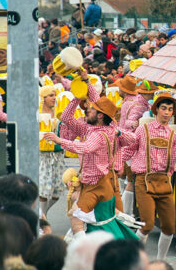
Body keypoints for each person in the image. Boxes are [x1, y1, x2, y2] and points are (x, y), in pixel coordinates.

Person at [44, 72, 137, 240]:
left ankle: (91, 249)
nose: (88, 108)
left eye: (91, 108)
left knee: (93, 219)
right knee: (98, 220)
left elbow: (87, 147)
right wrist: (78, 96)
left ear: (100, 115)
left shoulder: (104, 131)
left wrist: (59, 140)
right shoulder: (89, 127)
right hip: (94, 181)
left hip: (105, 181)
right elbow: (66, 117)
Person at [122, 93, 176, 260]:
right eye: (163, 108)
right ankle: (134, 259)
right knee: (147, 224)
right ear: (156, 110)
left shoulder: (175, 135)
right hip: (143, 180)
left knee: (169, 227)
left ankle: (160, 262)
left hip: (164, 182)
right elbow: (128, 150)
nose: (167, 112)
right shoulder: (143, 129)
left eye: (170, 109)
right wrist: (114, 165)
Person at [115, 75, 143, 215]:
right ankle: (126, 212)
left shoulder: (129, 103)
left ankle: (125, 212)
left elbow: (127, 123)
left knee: (127, 180)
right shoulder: (136, 102)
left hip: (126, 144)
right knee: (128, 179)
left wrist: (132, 124)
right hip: (128, 144)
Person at [37, 85, 65, 219]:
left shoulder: (59, 112)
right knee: (43, 188)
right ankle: (42, 219)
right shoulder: (37, 114)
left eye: (55, 95)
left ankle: (43, 214)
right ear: (43, 98)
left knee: (57, 191)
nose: (54, 98)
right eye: (51, 95)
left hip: (58, 154)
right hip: (43, 155)